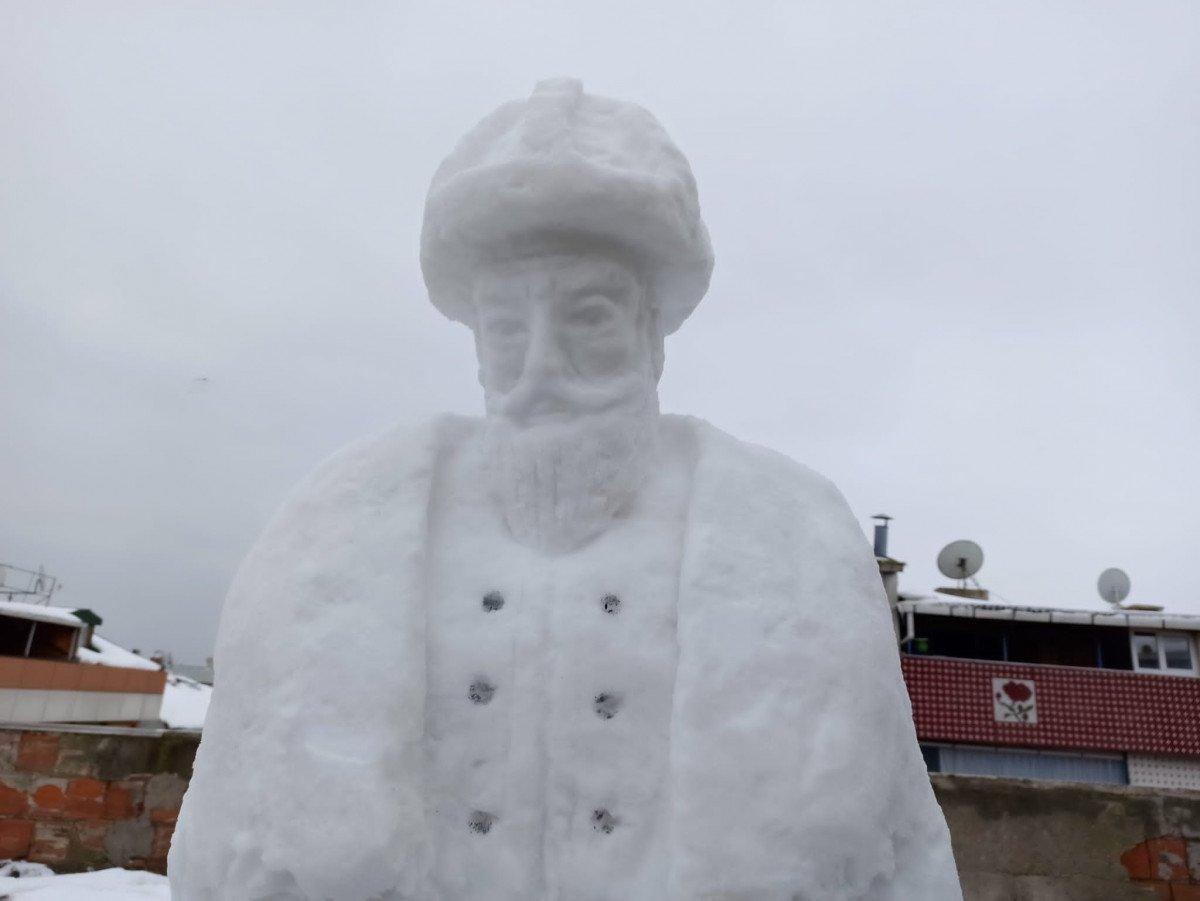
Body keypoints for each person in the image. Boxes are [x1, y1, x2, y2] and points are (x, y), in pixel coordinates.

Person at [170, 78, 961, 900]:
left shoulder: (795, 537)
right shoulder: (336, 529)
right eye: (508, 328)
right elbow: (234, 828)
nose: (541, 366)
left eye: (586, 316)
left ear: (650, 334)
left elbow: (898, 847)